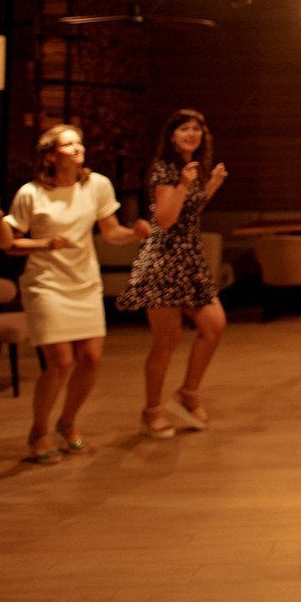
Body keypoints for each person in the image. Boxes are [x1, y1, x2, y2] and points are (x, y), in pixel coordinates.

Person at [0, 124, 149, 463]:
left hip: (84, 281)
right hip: (46, 283)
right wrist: (45, 243)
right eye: (69, 144)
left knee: (91, 358)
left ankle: (67, 422)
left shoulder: (96, 186)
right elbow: (9, 243)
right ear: (51, 156)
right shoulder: (31, 193)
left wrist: (134, 234)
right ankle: (38, 431)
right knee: (60, 360)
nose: (78, 148)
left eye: (79, 142)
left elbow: (111, 232)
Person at [118, 109, 229, 439]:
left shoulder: (190, 168)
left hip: (189, 258)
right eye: (184, 128)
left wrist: (210, 186)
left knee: (214, 324)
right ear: (171, 135)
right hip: (164, 260)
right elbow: (165, 219)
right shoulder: (165, 169)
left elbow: (188, 211)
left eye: (197, 128)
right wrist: (183, 184)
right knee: (167, 339)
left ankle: (188, 393)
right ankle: (151, 411)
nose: (192, 134)